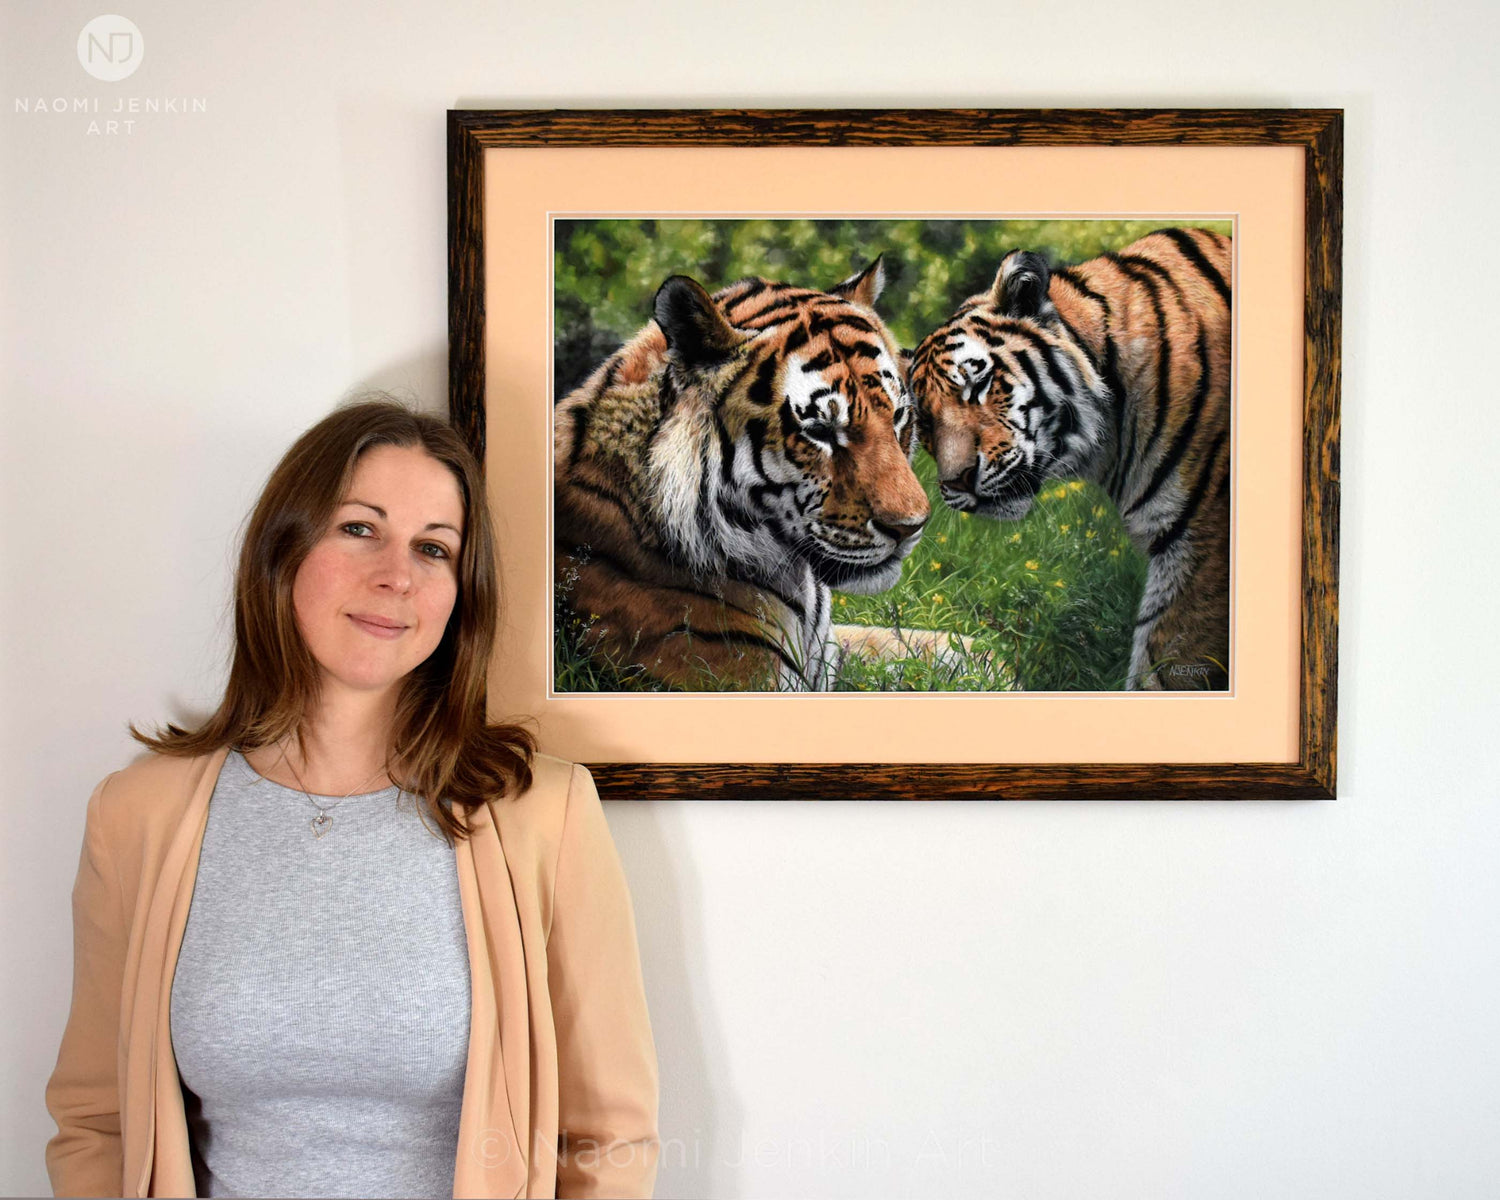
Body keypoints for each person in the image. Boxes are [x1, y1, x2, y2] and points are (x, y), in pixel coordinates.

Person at [43, 400, 660, 1198]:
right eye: (359, 528)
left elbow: (610, 1137)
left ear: (458, 594)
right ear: (283, 548)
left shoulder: (543, 814)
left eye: (434, 548)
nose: (396, 575)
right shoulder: (139, 817)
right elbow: (97, 1119)